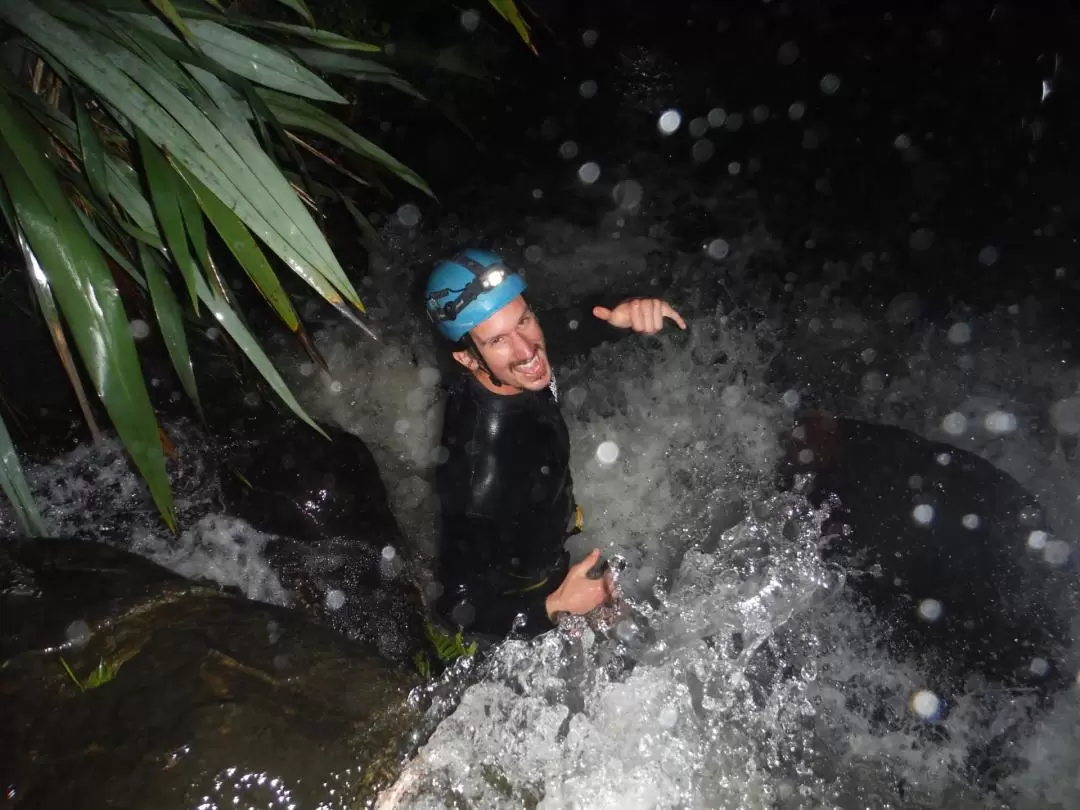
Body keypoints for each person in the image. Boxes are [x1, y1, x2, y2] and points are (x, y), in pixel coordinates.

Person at [423, 248, 686, 655]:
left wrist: (621, 315)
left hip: (552, 549)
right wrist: (552, 607)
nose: (528, 350)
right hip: (519, 606)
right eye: (497, 340)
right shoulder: (479, 478)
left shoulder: (516, 362)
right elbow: (454, 608)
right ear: (466, 358)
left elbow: (559, 329)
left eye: (524, 319)